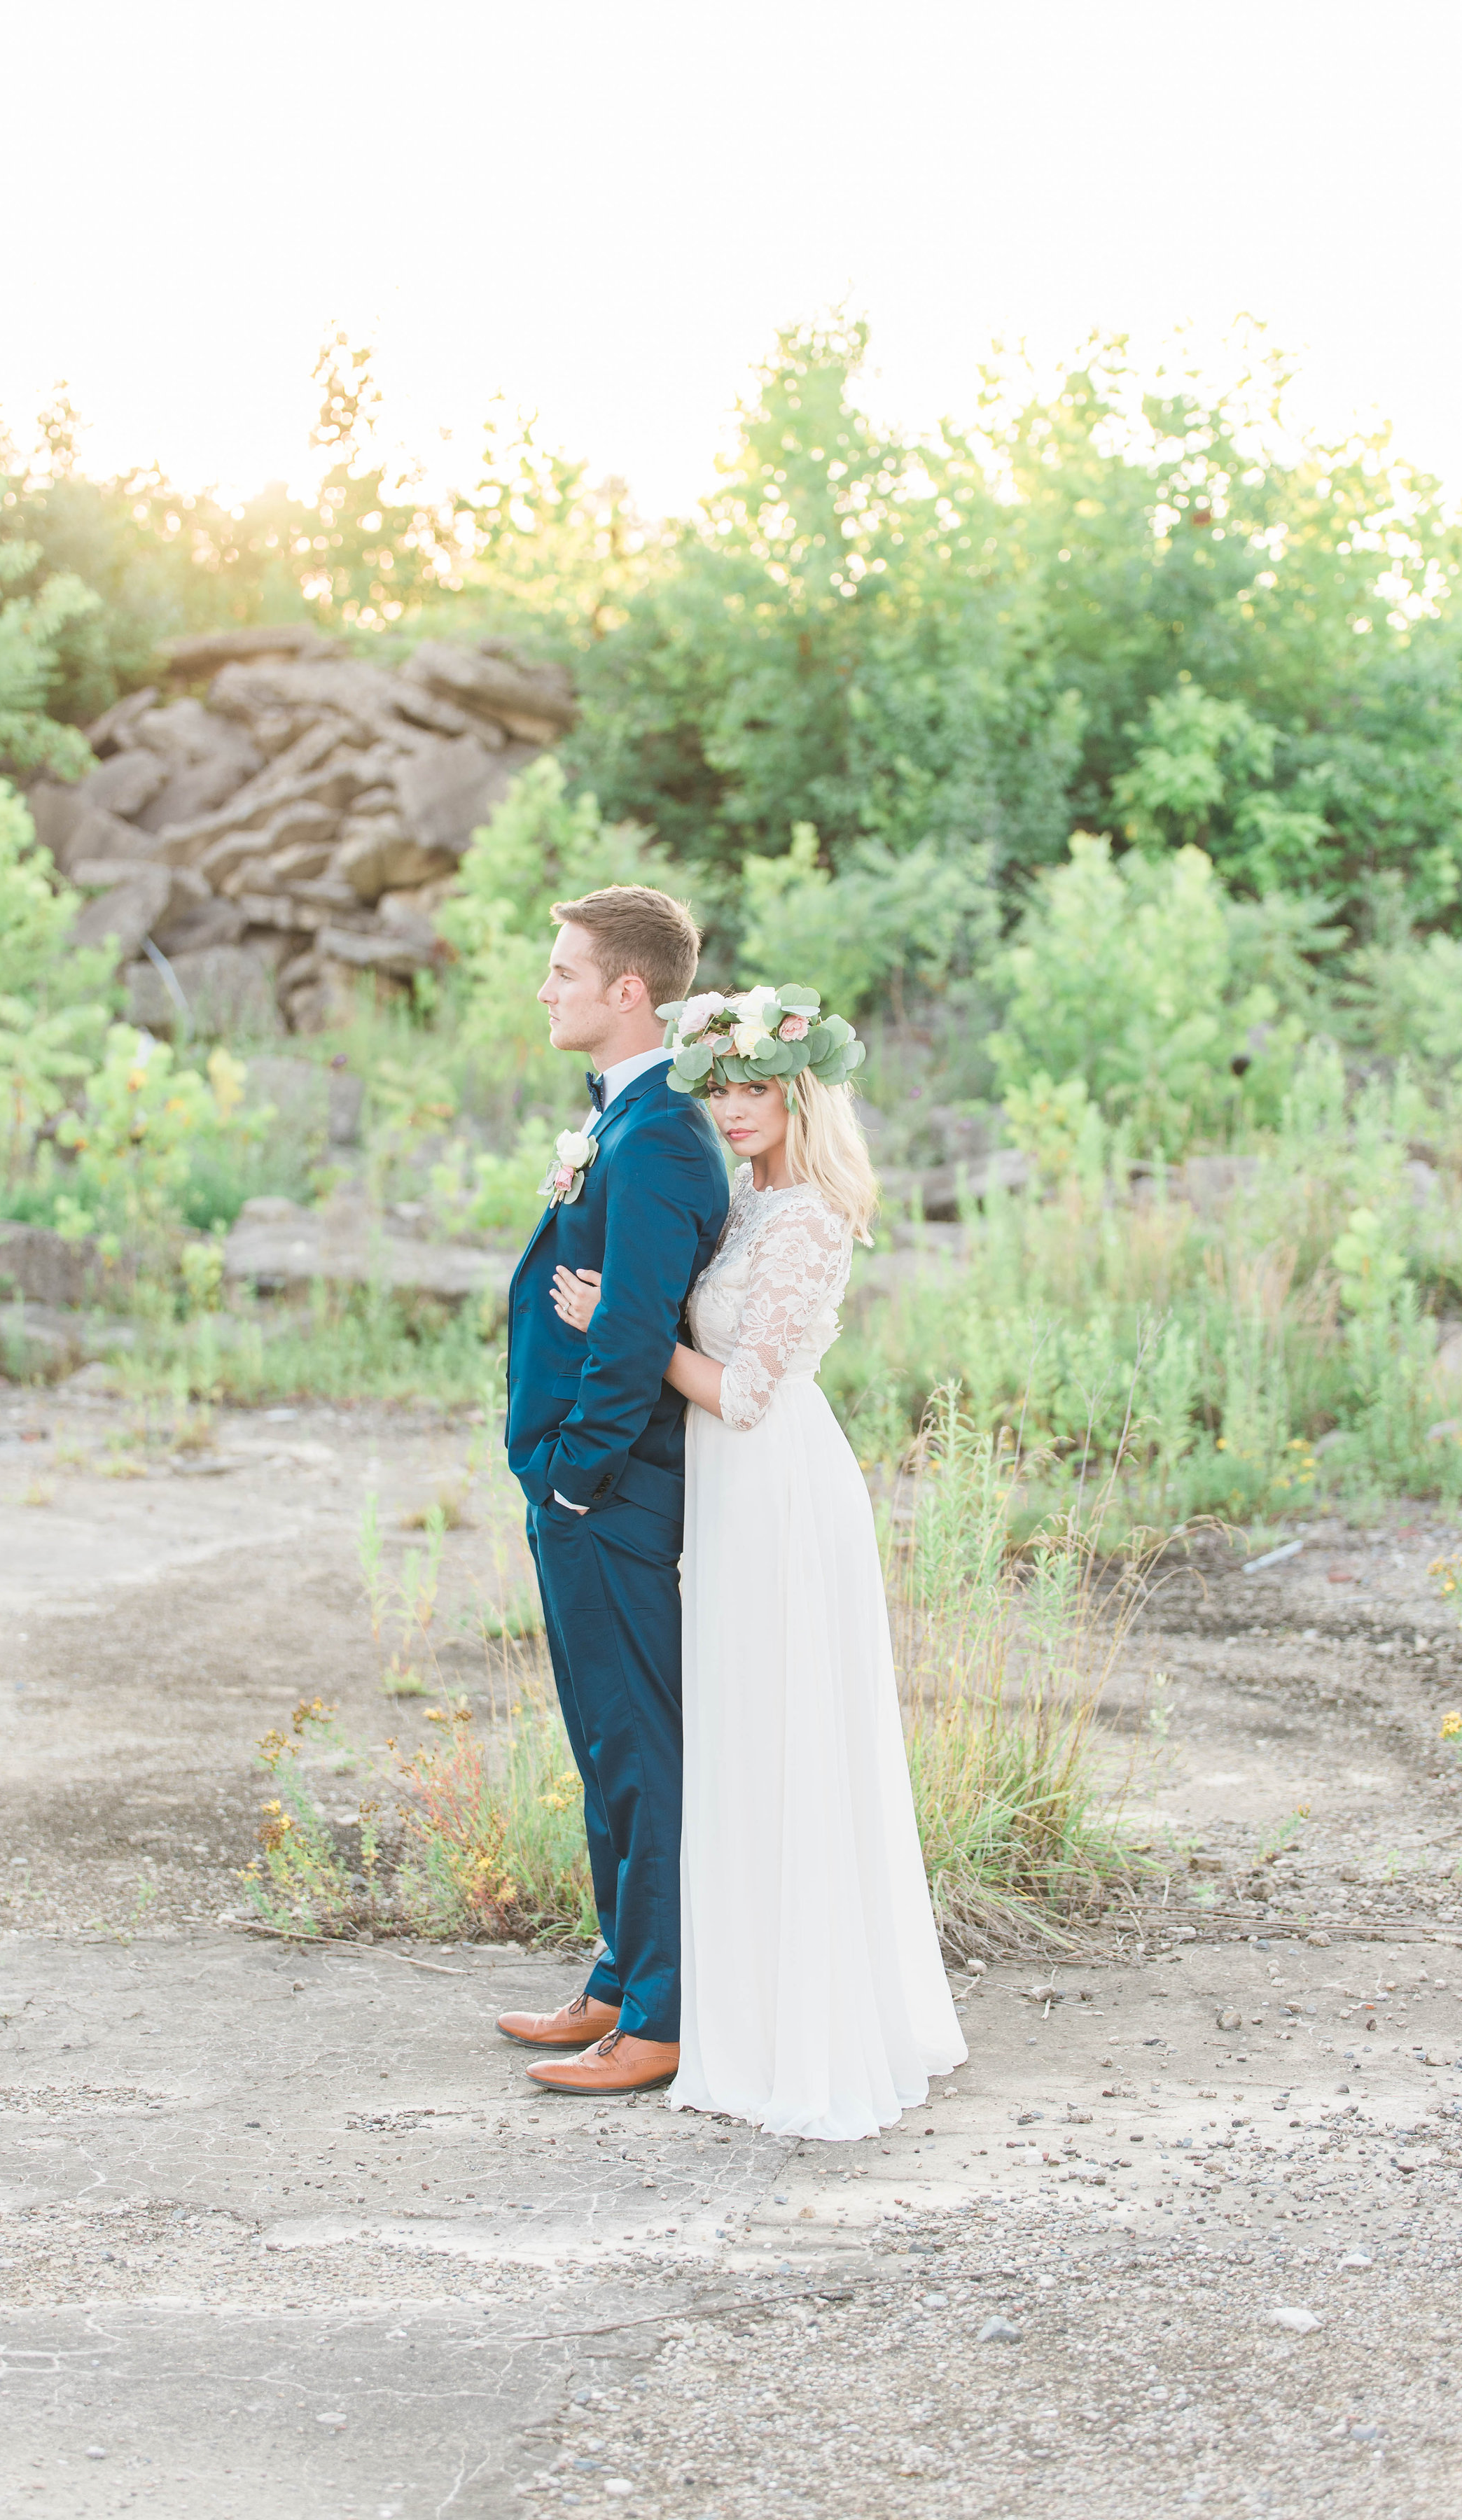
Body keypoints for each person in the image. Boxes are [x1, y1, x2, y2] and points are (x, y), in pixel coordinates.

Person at [549, 984, 966, 2141]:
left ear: (800, 1096)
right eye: (721, 1089)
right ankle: (722, 1991)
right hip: (731, 1493)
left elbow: (745, 1390)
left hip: (777, 1479)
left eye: (755, 1091)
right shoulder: (747, 1200)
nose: (732, 1109)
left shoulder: (811, 1219)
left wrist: (626, 1336)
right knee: (735, 1731)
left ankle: (799, 2024)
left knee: (781, 1731)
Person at [495, 886, 730, 2098]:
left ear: (626, 990)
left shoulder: (662, 1139)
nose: (546, 988)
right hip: (582, 1493)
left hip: (614, 1497)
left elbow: (635, 1335)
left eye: (563, 971)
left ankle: (663, 2017)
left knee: (640, 1749)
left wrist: (576, 1480)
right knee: (603, 1746)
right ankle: (616, 1976)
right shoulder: (620, 1123)